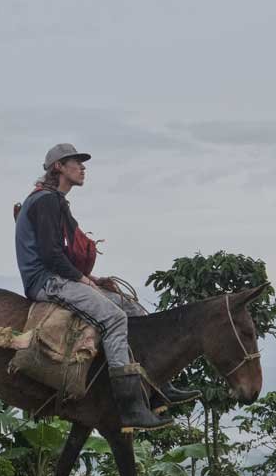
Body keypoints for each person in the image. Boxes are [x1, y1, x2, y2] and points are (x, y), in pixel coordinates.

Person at [14, 143, 198, 430]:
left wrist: (91, 279)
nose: (83, 167)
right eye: (76, 162)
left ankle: (160, 385)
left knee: (131, 306)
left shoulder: (55, 200)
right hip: (46, 281)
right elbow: (51, 255)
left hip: (59, 276)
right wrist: (83, 279)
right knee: (114, 318)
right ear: (59, 167)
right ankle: (129, 407)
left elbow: (60, 253)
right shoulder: (46, 201)